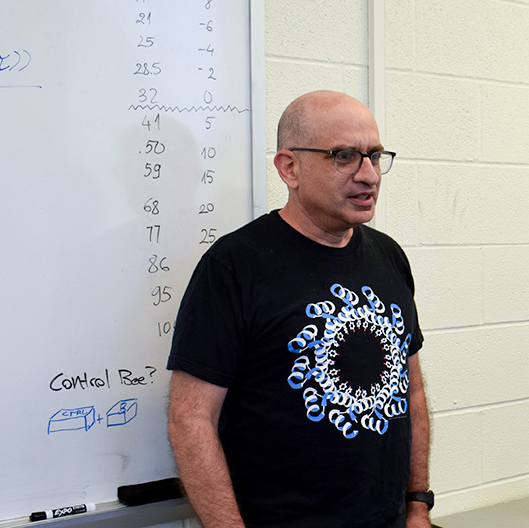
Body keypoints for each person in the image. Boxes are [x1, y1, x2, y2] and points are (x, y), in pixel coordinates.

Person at [166, 90, 432, 528]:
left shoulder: (389, 257)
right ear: (290, 168)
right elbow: (190, 418)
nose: (369, 175)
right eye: (345, 156)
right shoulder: (235, 267)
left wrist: (418, 504)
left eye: (375, 155)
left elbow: (413, 392)